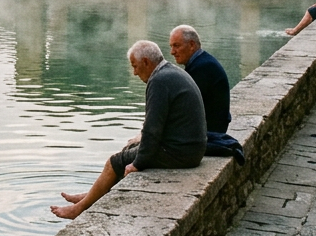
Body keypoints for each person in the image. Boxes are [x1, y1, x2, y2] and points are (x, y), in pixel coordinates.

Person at [52, 41, 206, 219]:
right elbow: (157, 123)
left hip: (181, 153)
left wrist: (137, 163)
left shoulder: (159, 81)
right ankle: (90, 196)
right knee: (128, 149)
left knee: (115, 162)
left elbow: (152, 130)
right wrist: (138, 143)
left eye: (135, 66)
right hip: (191, 148)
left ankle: (78, 209)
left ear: (147, 62)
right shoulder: (170, 73)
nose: (134, 73)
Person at [168, 25, 244, 163]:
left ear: (191, 45)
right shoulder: (201, 63)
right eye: (171, 46)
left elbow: (184, 107)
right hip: (214, 126)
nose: (172, 52)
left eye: (176, 46)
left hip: (212, 130)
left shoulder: (203, 68)